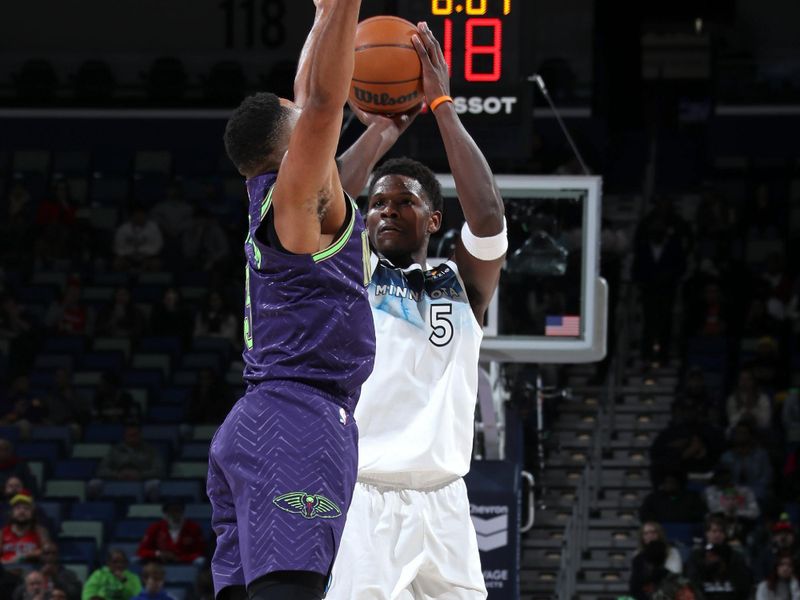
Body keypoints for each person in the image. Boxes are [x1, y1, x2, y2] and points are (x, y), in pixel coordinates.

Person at [327, 21, 507, 600]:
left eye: (404, 201)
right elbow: (322, 202)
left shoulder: (461, 285)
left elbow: (489, 222)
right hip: (365, 497)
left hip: (446, 501)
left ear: (433, 219)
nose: (385, 211)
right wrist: (380, 131)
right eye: (376, 202)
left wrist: (442, 106)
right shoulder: (352, 273)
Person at [205, 0, 375, 598]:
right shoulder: (295, 198)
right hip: (296, 422)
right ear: (291, 144)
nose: (302, 110)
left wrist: (325, 12)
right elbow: (324, 104)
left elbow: (310, 97)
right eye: (294, 117)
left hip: (262, 418)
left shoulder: (287, 200)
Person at [136, 498, 206, 565]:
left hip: (186, 563)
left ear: (182, 511)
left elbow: (201, 552)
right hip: (160, 563)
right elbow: (141, 551)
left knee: (200, 560)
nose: (174, 514)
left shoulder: (193, 528)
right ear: (165, 513)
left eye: (177, 510)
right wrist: (158, 553)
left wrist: (181, 558)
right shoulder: (156, 527)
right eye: (171, 510)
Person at [0, 492, 51, 566]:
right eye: (18, 508)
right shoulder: (2, 533)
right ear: (12, 513)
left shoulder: (40, 531)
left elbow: (48, 552)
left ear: (32, 513)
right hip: (6, 570)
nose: (22, 511)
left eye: (26, 508)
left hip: (31, 570)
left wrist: (24, 557)